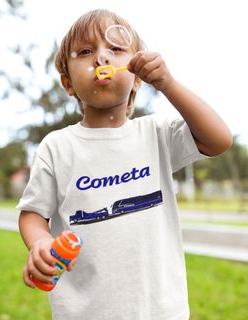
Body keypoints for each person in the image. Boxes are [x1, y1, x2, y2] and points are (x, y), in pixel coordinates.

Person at [17, 9, 232, 320]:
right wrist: (40, 243)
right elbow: (33, 213)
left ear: (136, 80)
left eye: (116, 49)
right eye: (86, 51)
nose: (102, 58)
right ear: (68, 83)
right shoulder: (57, 147)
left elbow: (218, 140)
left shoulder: (156, 134)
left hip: (162, 312)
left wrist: (169, 85)